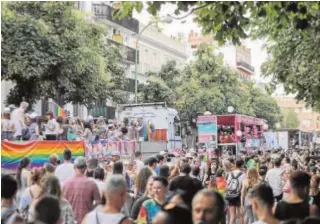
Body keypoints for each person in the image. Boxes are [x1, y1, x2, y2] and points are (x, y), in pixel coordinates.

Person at [63, 156, 101, 224]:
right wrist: (91, 208)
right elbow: (99, 203)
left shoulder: (65, 184)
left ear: (74, 167)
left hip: (70, 221)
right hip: (87, 221)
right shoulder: (92, 184)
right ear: (85, 168)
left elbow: (62, 204)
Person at [226, 158, 245, 224]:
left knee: (232, 215)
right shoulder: (243, 175)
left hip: (230, 195)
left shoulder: (230, 174)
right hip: (239, 196)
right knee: (241, 215)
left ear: (235, 165)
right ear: (242, 165)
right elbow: (243, 188)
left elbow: (227, 184)